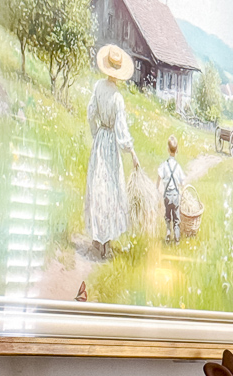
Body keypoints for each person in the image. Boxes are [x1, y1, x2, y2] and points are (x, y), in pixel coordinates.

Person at [84, 45, 139, 259]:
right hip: (110, 147)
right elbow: (122, 132)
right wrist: (132, 153)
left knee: (98, 189)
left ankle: (97, 241)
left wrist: (96, 133)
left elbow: (91, 114)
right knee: (109, 190)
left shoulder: (98, 86)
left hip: (100, 142)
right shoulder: (117, 98)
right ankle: (105, 245)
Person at [157, 135, 185, 245]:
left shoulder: (164, 165)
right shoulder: (178, 167)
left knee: (168, 216)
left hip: (167, 195)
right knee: (176, 219)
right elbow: (183, 181)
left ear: (168, 149)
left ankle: (168, 232)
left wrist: (157, 187)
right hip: (175, 195)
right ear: (177, 150)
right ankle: (177, 240)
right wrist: (182, 191)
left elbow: (159, 176)